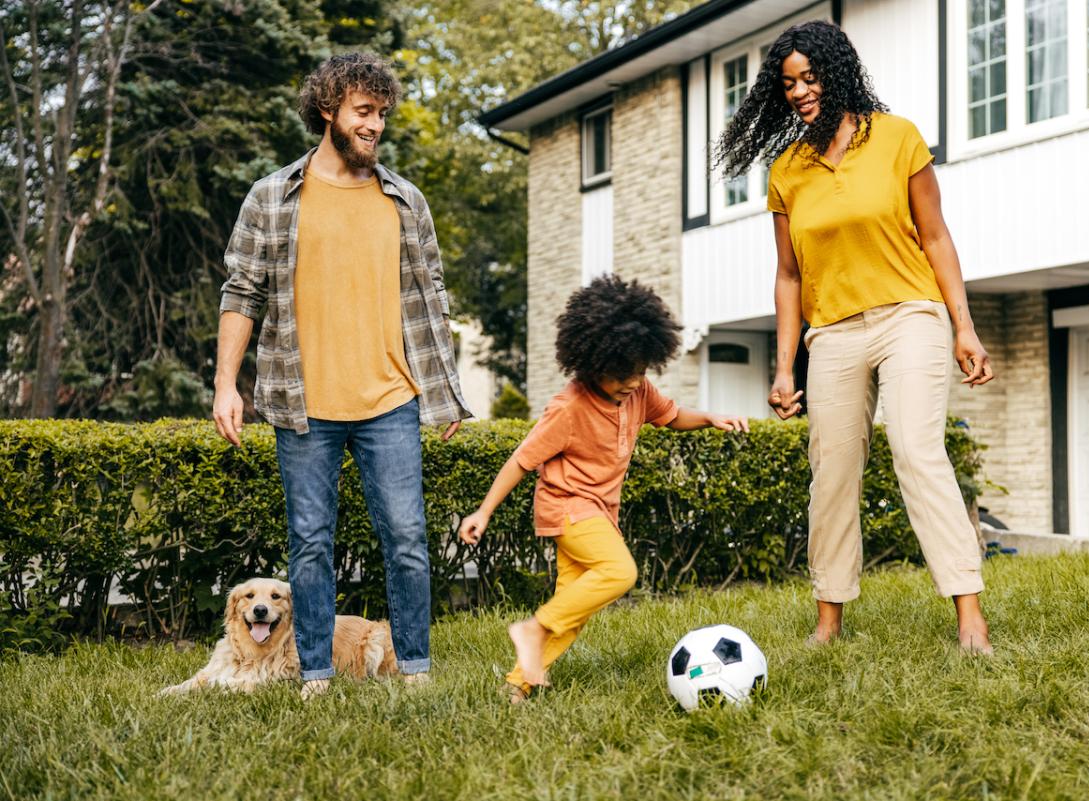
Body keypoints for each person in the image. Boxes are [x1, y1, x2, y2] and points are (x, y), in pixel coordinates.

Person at [715, 21, 995, 654]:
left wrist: (964, 328)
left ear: (837, 73)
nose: (800, 92)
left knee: (917, 450)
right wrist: (785, 366)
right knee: (832, 470)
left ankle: (969, 616)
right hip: (834, 332)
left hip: (909, 315)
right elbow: (788, 276)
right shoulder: (788, 170)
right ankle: (829, 622)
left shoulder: (897, 139)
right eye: (788, 83)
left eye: (811, 78)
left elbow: (936, 236)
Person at [212, 53, 471, 698]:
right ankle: (317, 674)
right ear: (327, 108)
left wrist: (445, 393)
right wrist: (225, 385)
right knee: (310, 545)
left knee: (408, 539)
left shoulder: (406, 201)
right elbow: (242, 291)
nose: (374, 125)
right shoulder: (273, 196)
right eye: (363, 112)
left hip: (391, 400)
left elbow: (431, 295)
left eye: (382, 114)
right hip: (306, 404)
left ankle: (414, 668)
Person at [458, 276, 749, 701]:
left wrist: (710, 418)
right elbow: (521, 460)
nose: (632, 381)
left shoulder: (638, 391)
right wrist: (483, 513)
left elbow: (670, 415)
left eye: (640, 370)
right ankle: (532, 628)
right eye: (621, 373)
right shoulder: (570, 408)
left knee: (573, 613)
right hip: (567, 508)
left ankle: (516, 687)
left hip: (598, 512)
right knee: (619, 572)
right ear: (594, 362)